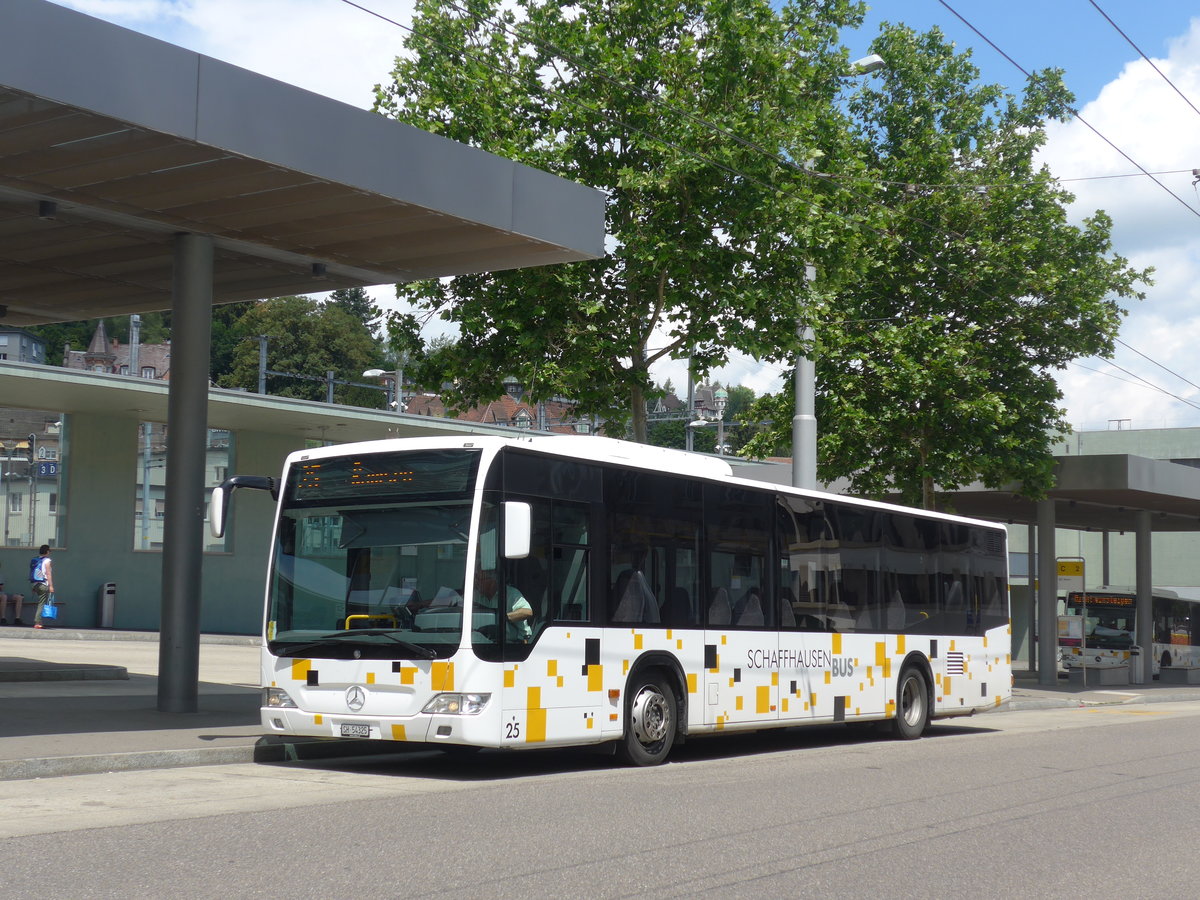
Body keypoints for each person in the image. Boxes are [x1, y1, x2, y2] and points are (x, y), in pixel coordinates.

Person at [474, 568, 533, 643]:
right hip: (486, 642)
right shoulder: (475, 596)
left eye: (480, 579)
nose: (477, 583)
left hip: (516, 643)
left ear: (492, 581)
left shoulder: (511, 594)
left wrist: (500, 618)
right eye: (476, 578)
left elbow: (527, 612)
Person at [30, 544, 54, 629]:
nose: (50, 552)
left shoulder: (36, 560)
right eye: (49, 551)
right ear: (47, 551)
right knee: (41, 603)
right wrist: (51, 586)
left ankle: (40, 622)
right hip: (43, 584)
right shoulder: (47, 560)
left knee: (41, 602)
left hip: (35, 584)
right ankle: (37, 622)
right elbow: (48, 573)